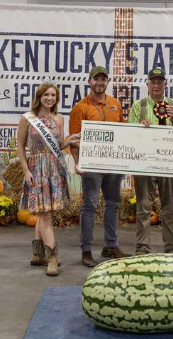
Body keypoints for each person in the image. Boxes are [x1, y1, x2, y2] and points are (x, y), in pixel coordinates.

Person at [69, 66, 131, 267]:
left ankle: (110, 245)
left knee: (113, 204)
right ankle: (86, 250)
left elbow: (122, 131)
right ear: (89, 82)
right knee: (90, 206)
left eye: (103, 79)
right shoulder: (80, 107)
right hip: (92, 164)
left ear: (107, 82)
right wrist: (78, 162)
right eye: (96, 79)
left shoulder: (115, 104)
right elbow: (74, 139)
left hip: (113, 163)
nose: (99, 83)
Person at [18, 81, 78, 276]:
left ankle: (38, 255)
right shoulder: (28, 118)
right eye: (46, 95)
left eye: (53, 95)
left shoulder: (59, 118)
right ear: (39, 97)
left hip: (54, 169)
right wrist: (26, 170)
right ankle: (52, 256)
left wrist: (67, 141)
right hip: (36, 169)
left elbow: (57, 145)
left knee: (46, 212)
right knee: (45, 214)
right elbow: (20, 146)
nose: (50, 98)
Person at [128, 68, 173, 255]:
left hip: (168, 164)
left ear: (165, 85)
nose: (156, 85)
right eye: (153, 82)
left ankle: (171, 248)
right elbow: (129, 134)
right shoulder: (139, 105)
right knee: (144, 207)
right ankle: (143, 248)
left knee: (169, 208)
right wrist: (139, 127)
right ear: (147, 84)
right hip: (145, 164)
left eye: (159, 82)